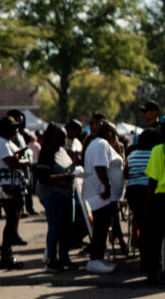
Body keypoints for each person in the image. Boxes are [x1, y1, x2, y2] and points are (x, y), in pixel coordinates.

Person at [126, 101, 163, 271]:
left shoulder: (159, 136)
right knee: (151, 232)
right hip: (151, 191)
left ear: (155, 112)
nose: (143, 115)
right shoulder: (147, 142)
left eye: (146, 111)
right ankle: (152, 266)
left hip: (149, 192)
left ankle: (150, 266)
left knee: (151, 233)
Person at [82, 121, 122, 274]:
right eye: (113, 132)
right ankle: (95, 259)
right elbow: (100, 166)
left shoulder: (96, 143)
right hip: (101, 193)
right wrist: (107, 186)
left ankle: (98, 258)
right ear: (108, 132)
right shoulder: (101, 144)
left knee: (102, 227)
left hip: (100, 193)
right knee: (101, 228)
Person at [35, 123, 76, 272]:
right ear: (52, 136)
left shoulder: (62, 151)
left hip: (66, 194)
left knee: (66, 228)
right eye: (61, 137)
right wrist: (65, 176)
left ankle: (63, 257)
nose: (64, 140)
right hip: (53, 194)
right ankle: (52, 259)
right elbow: (43, 177)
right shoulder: (46, 152)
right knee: (55, 228)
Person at [0, 116, 30, 269]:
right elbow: (11, 162)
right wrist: (25, 162)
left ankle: (7, 253)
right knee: (11, 218)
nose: (16, 131)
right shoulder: (1, 142)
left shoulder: (7, 143)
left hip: (13, 182)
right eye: (14, 128)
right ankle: (5, 256)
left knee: (13, 219)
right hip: (7, 184)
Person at [144, 139, 165, 284]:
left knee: (155, 240)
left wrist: (148, 202)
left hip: (160, 199)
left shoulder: (157, 150)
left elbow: (152, 180)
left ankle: (152, 274)